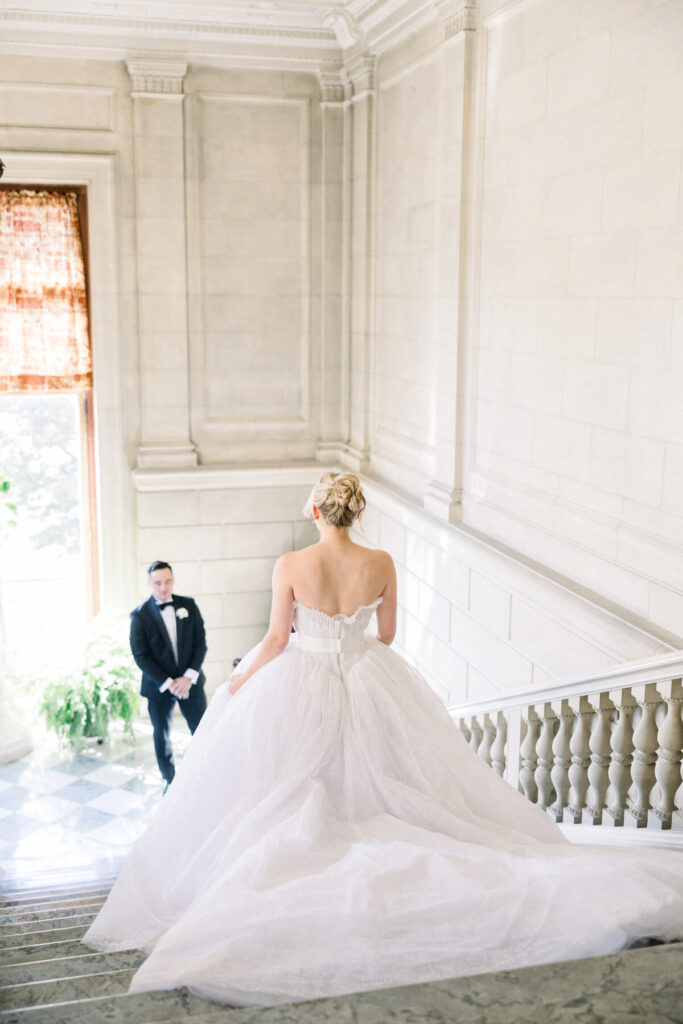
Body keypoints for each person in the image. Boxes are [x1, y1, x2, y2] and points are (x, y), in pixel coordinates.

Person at [84, 474, 683, 1007]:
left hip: (302, 674)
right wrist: (349, 640)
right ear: (355, 513)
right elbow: (388, 634)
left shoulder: (291, 564)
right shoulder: (383, 561)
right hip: (365, 672)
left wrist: (239, 681)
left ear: (317, 512)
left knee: (299, 779)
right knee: (382, 777)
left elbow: (273, 640)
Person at [130, 560, 208, 791]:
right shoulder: (140, 616)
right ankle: (169, 781)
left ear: (172, 580)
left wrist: (187, 678)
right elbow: (140, 655)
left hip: (190, 682)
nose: (163, 587)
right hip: (158, 686)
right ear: (149, 583)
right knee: (161, 734)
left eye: (167, 581)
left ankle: (204, 774)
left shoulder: (189, 606)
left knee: (202, 730)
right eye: (157, 583)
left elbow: (200, 644)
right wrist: (168, 683)